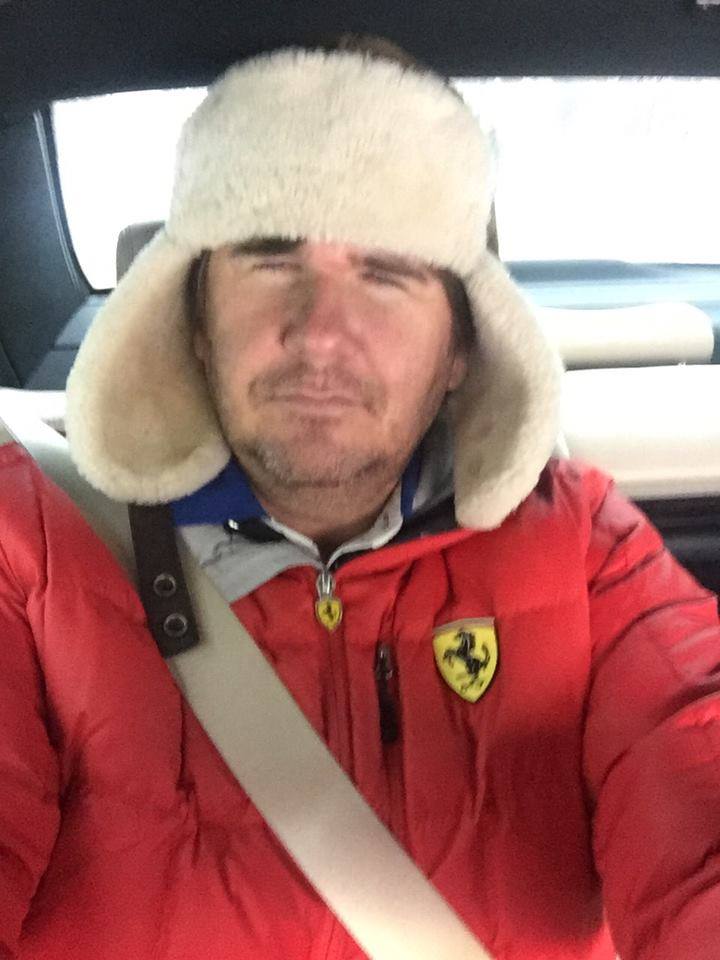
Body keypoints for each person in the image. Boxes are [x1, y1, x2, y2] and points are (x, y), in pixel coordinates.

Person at [1, 33, 719, 960]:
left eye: (387, 273)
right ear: (194, 318)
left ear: (461, 347)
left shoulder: (586, 551)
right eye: (270, 257)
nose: (321, 334)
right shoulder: (31, 545)